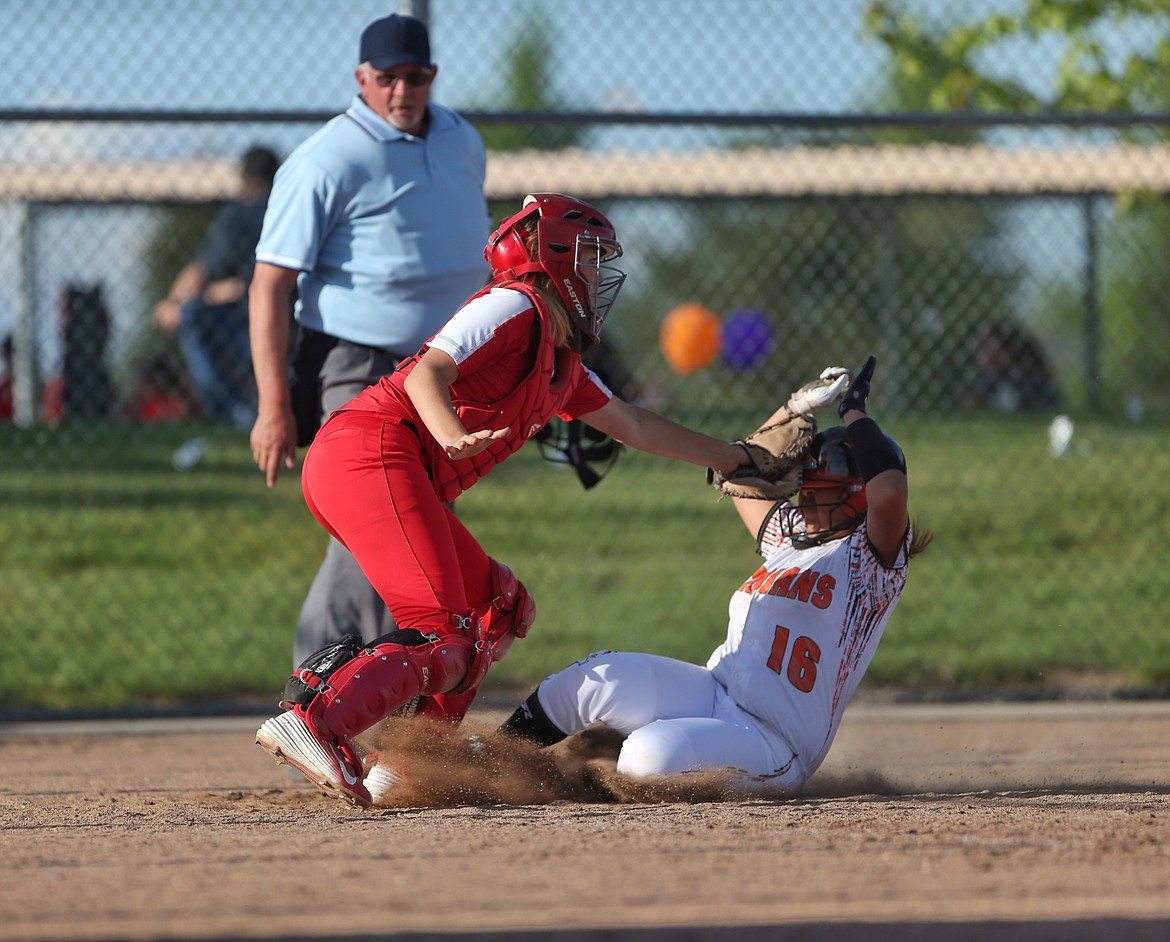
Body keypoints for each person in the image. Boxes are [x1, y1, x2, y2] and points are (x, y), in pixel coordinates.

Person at [255, 192, 772, 807]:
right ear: (549, 256)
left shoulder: (563, 363)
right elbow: (427, 372)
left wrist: (737, 458)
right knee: (445, 631)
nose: (595, 275)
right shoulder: (514, 305)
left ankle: (409, 762)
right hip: (368, 450)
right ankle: (317, 720)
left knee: (495, 608)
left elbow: (634, 425)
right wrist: (450, 434)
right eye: (586, 258)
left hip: (388, 465)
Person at [497, 357, 932, 795]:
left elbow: (890, 490)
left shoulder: (870, 564)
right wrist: (795, 408)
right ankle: (486, 762)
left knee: (647, 760)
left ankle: (605, 763)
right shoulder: (791, 539)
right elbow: (739, 469)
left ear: (859, 498)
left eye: (825, 494)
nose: (810, 504)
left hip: (773, 740)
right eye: (809, 492)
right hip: (712, 691)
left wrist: (855, 414)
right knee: (591, 679)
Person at [246, 14, 491, 667]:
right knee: (377, 518)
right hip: (359, 362)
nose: (402, 90)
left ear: (432, 77)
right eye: (387, 78)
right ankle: (316, 691)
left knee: (411, 524)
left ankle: (382, 689)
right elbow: (270, 284)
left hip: (443, 368)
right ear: (362, 79)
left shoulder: (463, 141)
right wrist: (273, 407)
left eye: (415, 76)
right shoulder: (328, 158)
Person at [153, 146, 280, 428]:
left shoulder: (240, 215)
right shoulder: (290, 211)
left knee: (191, 313)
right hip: (296, 317)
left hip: (249, 321)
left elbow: (202, 271)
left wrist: (174, 303)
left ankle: (230, 412)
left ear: (244, 178)